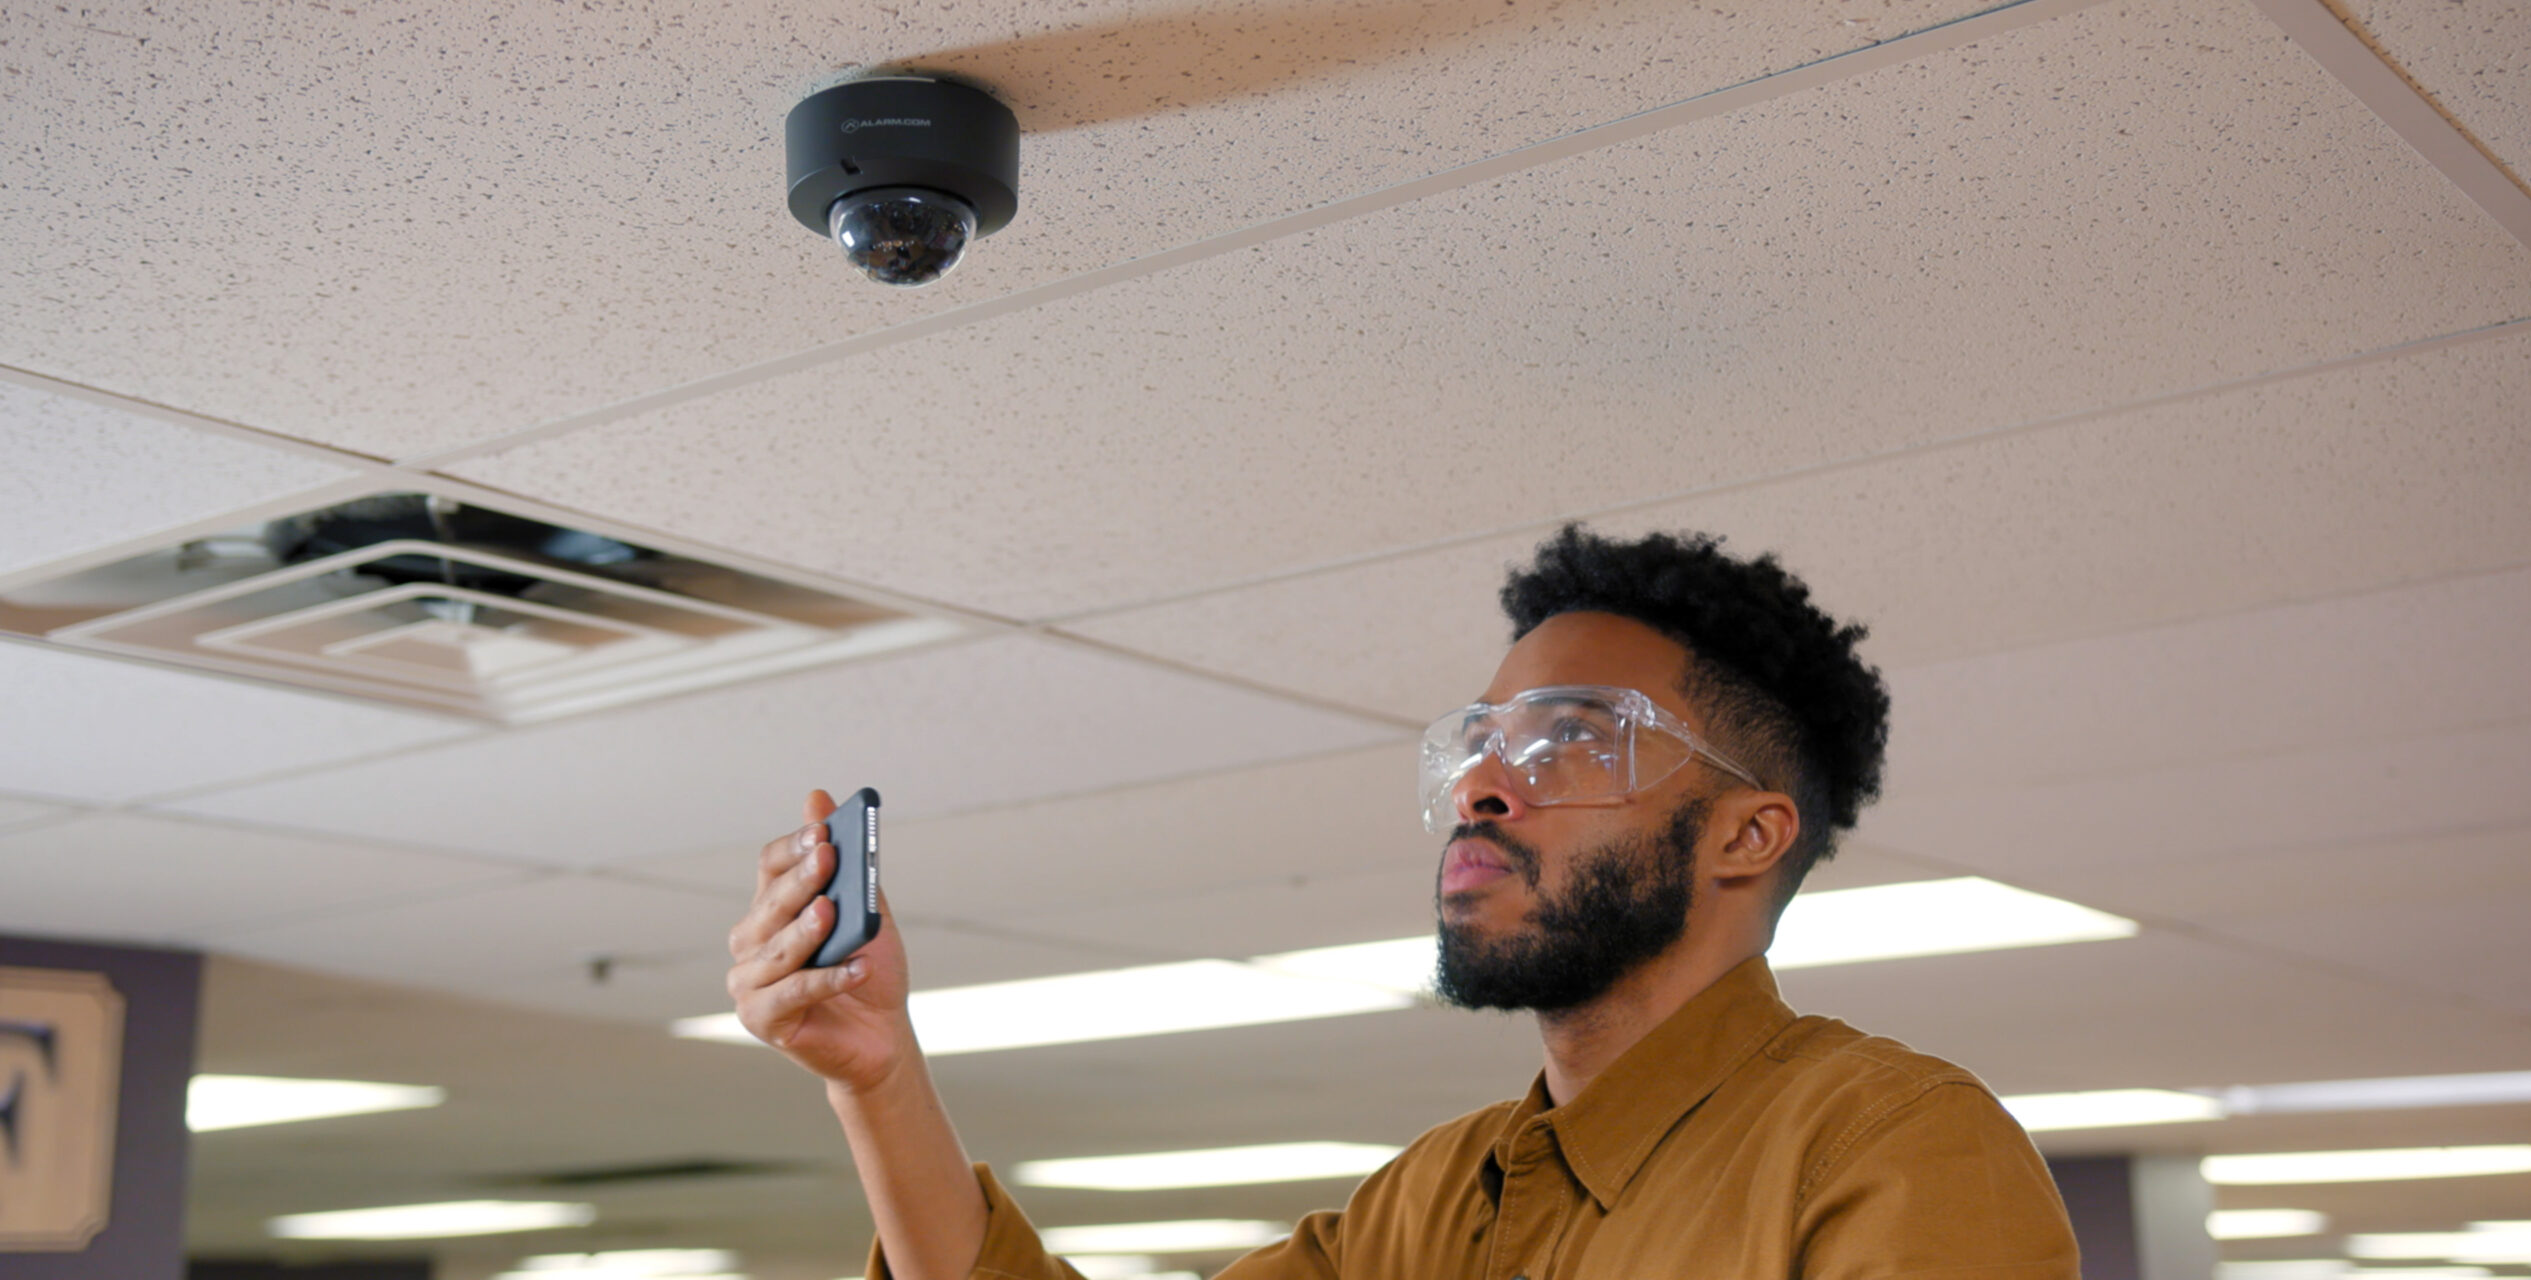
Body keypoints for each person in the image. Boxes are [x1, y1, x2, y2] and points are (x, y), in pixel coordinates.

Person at [727, 526, 2079, 1279]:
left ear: (1748, 833)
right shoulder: (1434, 1205)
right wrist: (876, 1073)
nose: (1487, 779)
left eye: (1569, 741)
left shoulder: (1892, 1149)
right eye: (1480, 741)